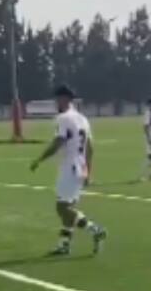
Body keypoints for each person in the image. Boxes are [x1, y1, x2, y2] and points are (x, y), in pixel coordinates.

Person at [30, 85, 107, 256]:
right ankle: (64, 244)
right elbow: (90, 147)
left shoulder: (63, 118)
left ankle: (95, 229)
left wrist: (39, 159)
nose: (55, 102)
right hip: (80, 166)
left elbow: (59, 141)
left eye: (57, 99)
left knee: (62, 208)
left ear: (64, 99)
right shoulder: (82, 119)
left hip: (69, 166)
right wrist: (89, 170)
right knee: (68, 207)